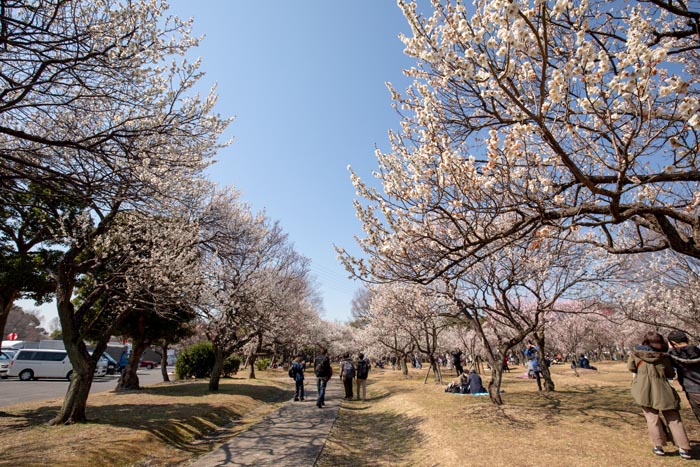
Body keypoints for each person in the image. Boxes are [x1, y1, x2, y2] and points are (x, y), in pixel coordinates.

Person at [627, 331, 692, 459]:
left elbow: (631, 367)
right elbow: (670, 374)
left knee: (652, 419)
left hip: (643, 389)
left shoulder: (636, 353)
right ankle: (683, 447)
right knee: (673, 418)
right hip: (663, 389)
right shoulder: (664, 356)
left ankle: (658, 447)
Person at [667, 330, 700, 423]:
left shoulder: (672, 355)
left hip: (692, 390)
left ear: (672, 343)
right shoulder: (697, 351)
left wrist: (671, 349)